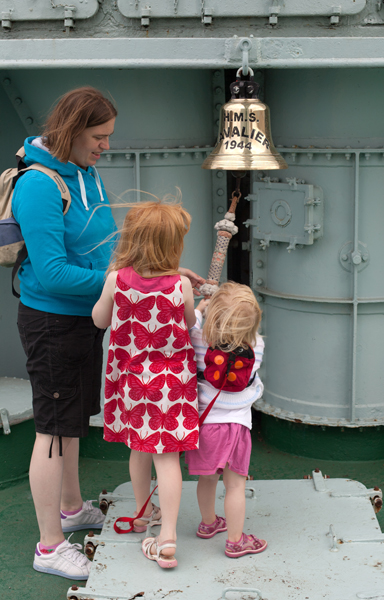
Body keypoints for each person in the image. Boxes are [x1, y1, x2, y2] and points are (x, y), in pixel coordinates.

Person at [13, 87, 119, 580]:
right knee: (53, 430)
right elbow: (53, 273)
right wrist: (124, 282)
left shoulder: (86, 173)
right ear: (73, 130)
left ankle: (72, 509)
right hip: (52, 323)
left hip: (84, 319)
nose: (105, 146)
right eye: (98, 137)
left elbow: (100, 247)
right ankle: (50, 546)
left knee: (72, 420)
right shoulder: (39, 185)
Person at [92, 200, 200, 570]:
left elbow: (99, 320)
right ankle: (166, 535)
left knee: (138, 447)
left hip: (133, 384)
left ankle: (143, 514)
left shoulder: (116, 280)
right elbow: (189, 322)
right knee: (166, 458)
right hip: (173, 385)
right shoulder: (181, 285)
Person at [186, 282, 268, 558]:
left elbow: (191, 323)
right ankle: (235, 541)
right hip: (236, 426)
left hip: (205, 424)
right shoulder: (256, 346)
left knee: (207, 479)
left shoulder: (197, 338)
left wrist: (200, 310)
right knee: (234, 486)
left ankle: (209, 523)